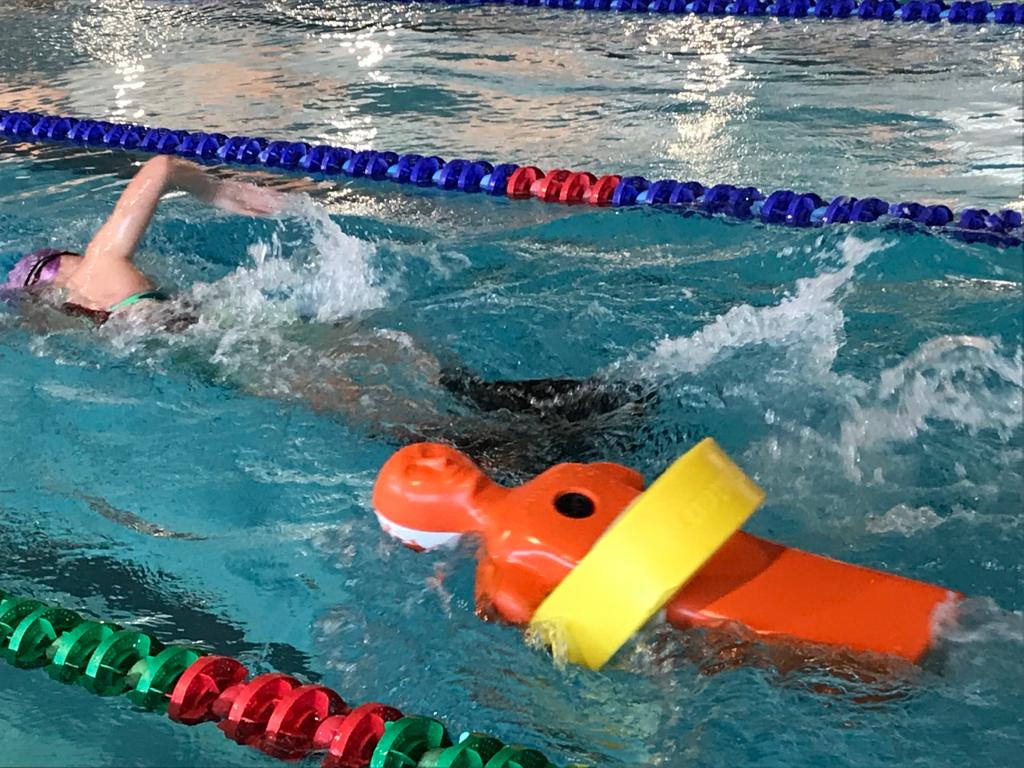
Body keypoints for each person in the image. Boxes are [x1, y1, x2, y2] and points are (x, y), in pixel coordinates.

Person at [2, 156, 651, 474]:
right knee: (446, 384)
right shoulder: (98, 282)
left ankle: (553, 459)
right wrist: (213, 188)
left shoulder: (94, 285)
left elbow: (159, 166)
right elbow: (164, 164)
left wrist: (219, 189)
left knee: (397, 421)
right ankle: (594, 404)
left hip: (254, 354)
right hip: (272, 330)